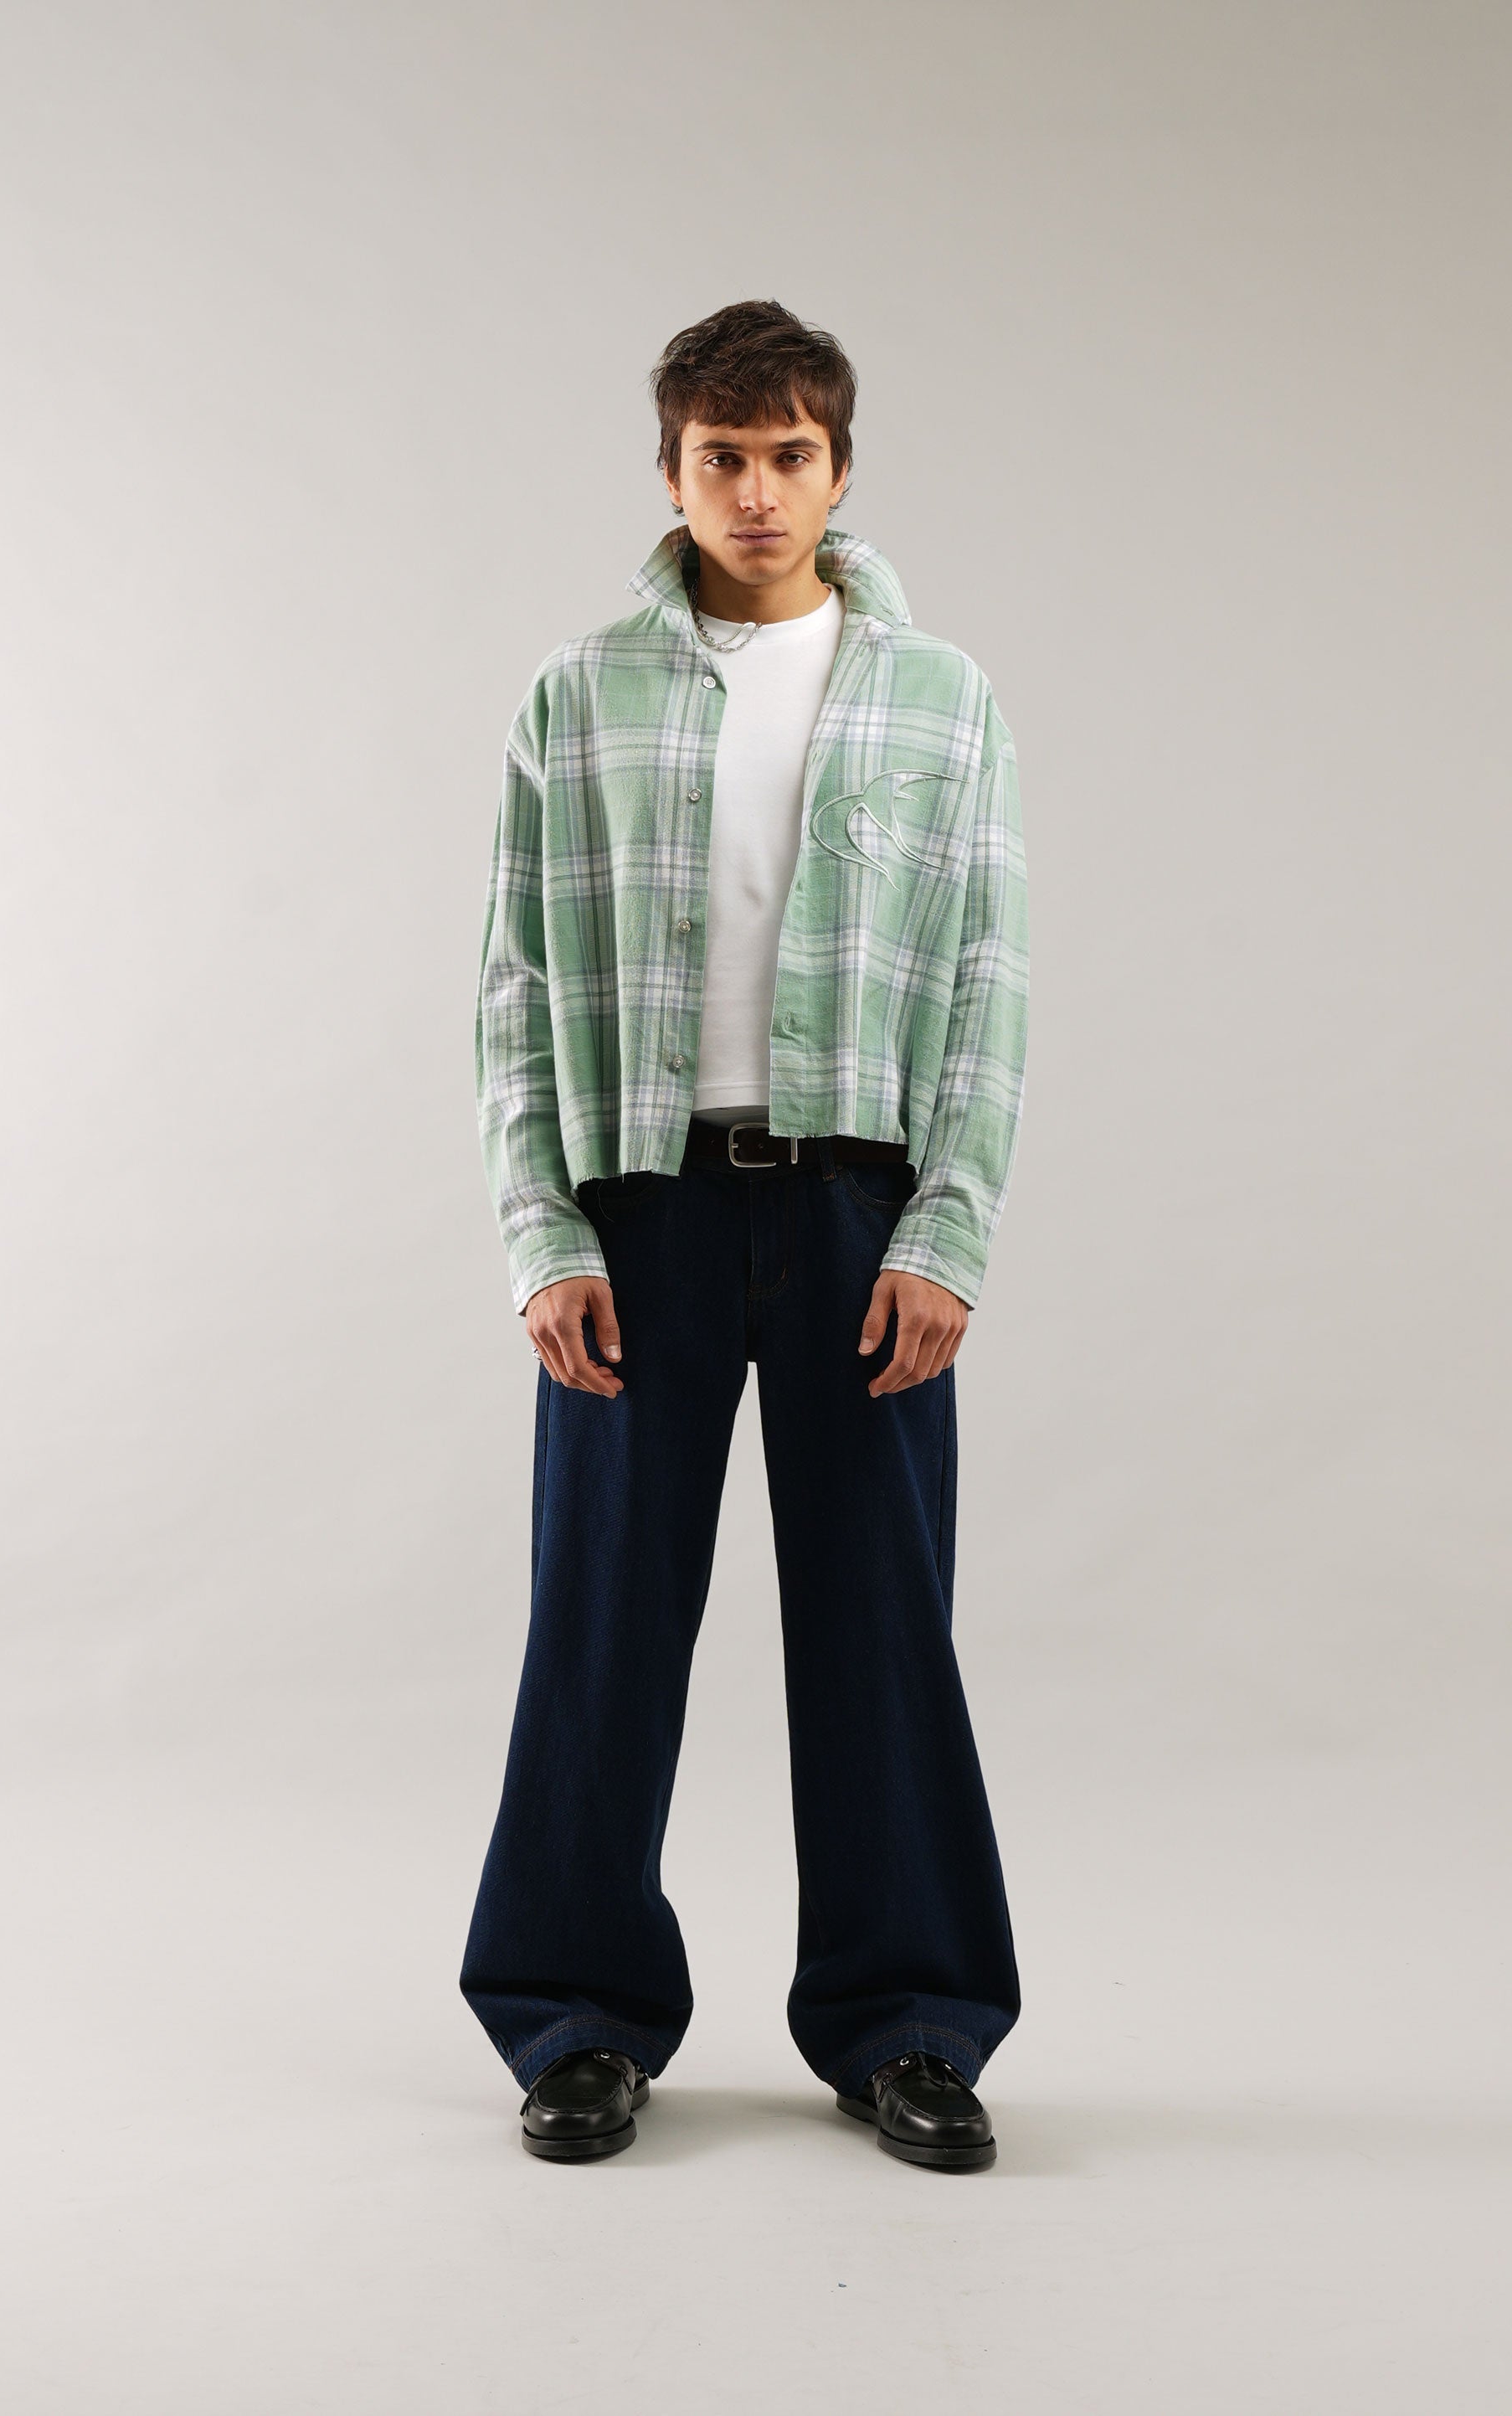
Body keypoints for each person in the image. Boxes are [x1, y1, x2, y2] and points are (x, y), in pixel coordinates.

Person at [460, 298, 1030, 2171]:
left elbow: (987, 980)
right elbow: (512, 989)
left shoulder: (937, 699)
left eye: (792, 454)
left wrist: (947, 1229)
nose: (759, 491)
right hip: (642, 1206)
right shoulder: (578, 696)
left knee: (881, 1624)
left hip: (861, 1203)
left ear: (841, 468)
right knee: (602, 1619)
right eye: (724, 456)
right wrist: (543, 1235)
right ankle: (574, 2017)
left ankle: (909, 2022)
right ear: (671, 471)